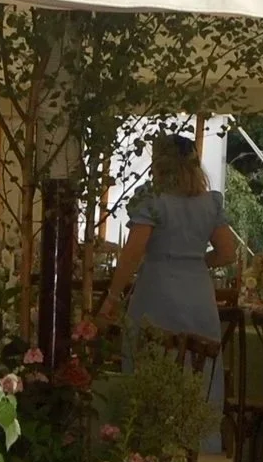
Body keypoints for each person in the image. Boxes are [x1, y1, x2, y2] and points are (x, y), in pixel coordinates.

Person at [94, 133, 236, 343]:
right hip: (199, 296)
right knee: (197, 362)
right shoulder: (210, 203)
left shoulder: (152, 199)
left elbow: (132, 253)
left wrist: (112, 298)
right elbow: (227, 253)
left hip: (158, 291)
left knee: (154, 358)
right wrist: (196, 262)